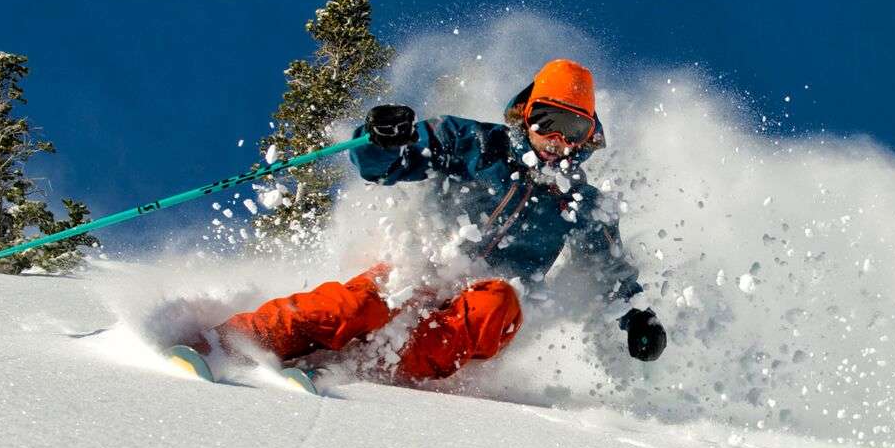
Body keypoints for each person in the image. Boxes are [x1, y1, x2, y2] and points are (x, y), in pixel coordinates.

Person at [169, 58, 666, 388]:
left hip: (495, 296)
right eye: (547, 121)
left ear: (588, 138)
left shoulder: (581, 202)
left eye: (573, 128)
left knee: (494, 304)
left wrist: (637, 316)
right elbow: (385, 163)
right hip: (425, 263)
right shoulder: (477, 143)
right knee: (355, 303)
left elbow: (611, 271)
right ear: (526, 115)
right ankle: (222, 343)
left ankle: (376, 372)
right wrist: (381, 138)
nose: (558, 139)